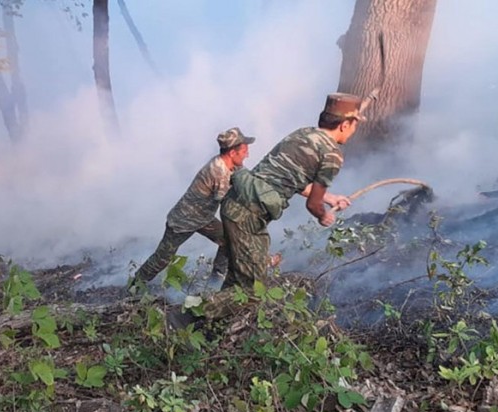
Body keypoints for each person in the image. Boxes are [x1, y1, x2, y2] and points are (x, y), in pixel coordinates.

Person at [220, 93, 364, 290]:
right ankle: (183, 317)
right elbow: (313, 205)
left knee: (239, 279)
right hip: (248, 215)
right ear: (344, 125)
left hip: (234, 202)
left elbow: (290, 178)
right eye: (355, 124)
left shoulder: (303, 133)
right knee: (253, 291)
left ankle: (210, 319)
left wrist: (329, 197)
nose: (354, 130)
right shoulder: (332, 155)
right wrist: (324, 216)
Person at [130, 127, 254, 290]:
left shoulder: (231, 164)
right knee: (163, 257)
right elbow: (227, 201)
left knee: (228, 241)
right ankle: (135, 286)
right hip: (184, 220)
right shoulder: (218, 170)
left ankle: (216, 281)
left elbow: (248, 178)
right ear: (232, 153)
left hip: (203, 218)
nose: (247, 155)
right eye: (244, 151)